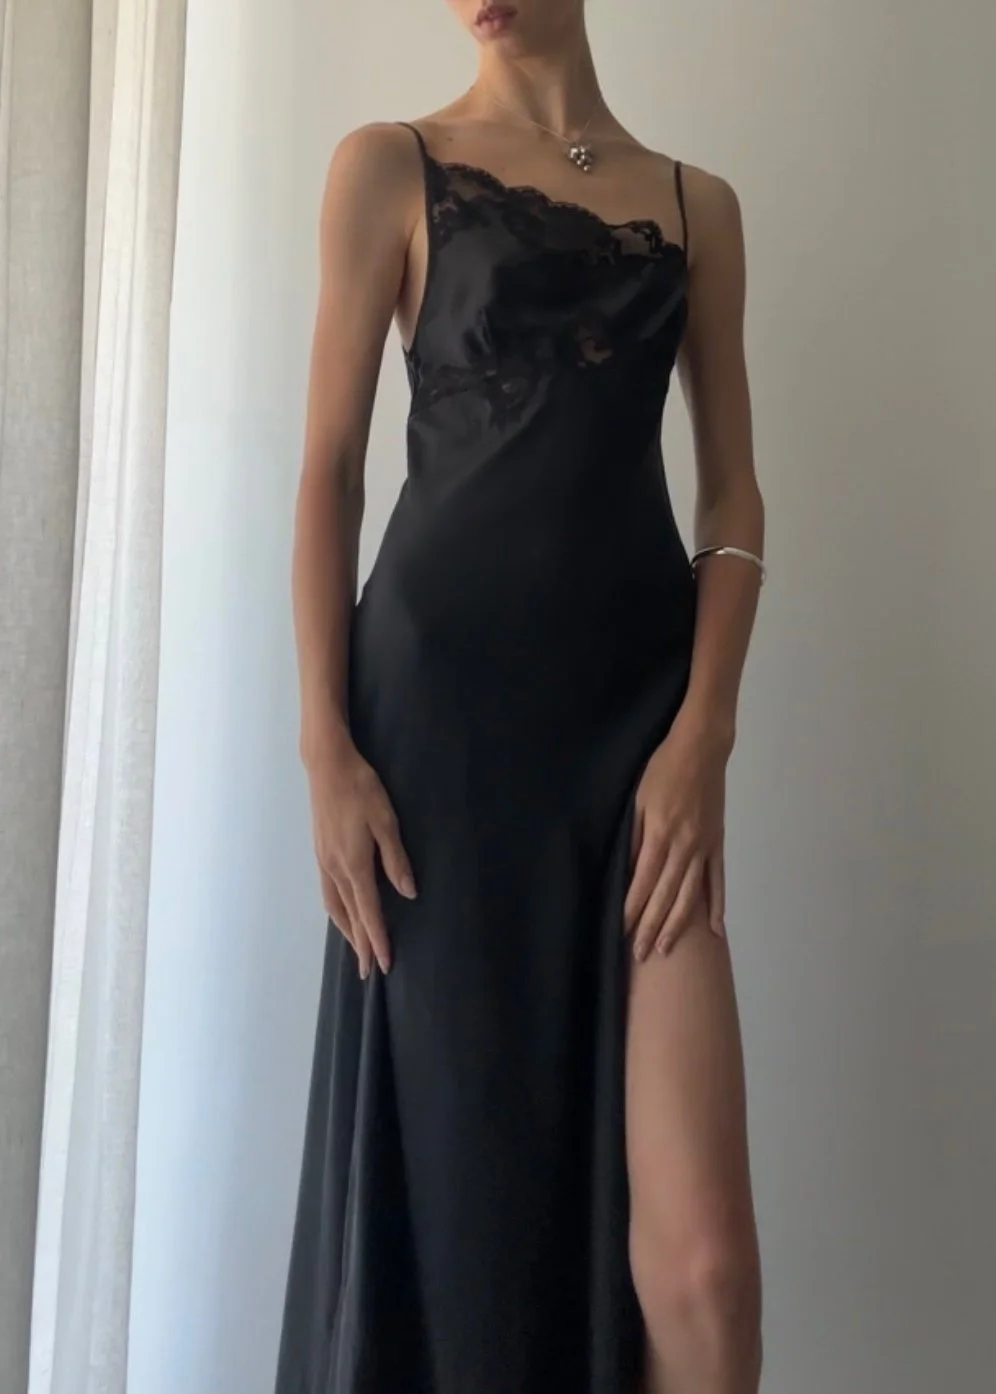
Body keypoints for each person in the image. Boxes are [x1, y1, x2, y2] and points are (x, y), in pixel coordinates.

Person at [276, 1, 766, 1391]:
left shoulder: (700, 206)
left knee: (707, 1273)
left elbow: (733, 500)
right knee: (471, 1219)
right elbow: (328, 470)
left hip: (639, 737)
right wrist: (325, 747)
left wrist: (705, 736)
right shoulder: (389, 163)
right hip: (435, 738)